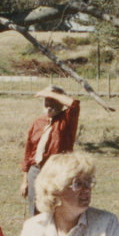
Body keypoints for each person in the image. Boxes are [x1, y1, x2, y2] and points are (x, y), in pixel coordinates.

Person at [20, 86, 80, 216]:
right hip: (35, 170)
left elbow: (74, 104)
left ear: (60, 103)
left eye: (52, 104)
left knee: (55, 205)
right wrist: (25, 180)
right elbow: (28, 152)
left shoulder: (67, 120)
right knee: (35, 207)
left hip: (56, 170)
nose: (48, 107)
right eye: (46, 103)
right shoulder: (37, 122)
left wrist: (51, 94)